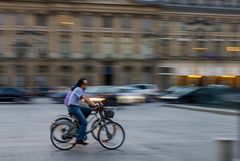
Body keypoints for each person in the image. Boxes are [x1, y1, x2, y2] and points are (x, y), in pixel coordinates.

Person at [66, 77, 98, 145]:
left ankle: (80, 125)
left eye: (87, 84)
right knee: (84, 123)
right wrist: (95, 106)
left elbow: (86, 98)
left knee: (88, 110)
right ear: (81, 84)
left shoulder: (82, 90)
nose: (86, 85)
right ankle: (79, 139)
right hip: (73, 108)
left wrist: (94, 104)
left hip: (76, 107)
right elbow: (85, 99)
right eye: (85, 84)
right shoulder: (78, 89)